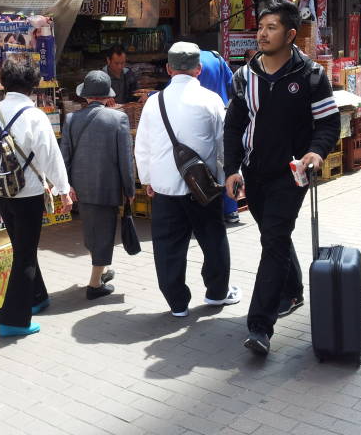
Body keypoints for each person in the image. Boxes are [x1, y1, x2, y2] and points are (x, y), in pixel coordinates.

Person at [224, 0, 340, 356]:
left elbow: (328, 122)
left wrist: (316, 151)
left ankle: (260, 326)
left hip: (292, 175)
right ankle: (293, 290)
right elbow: (234, 125)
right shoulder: (244, 77)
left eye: (271, 28)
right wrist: (231, 168)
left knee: (273, 241)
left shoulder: (311, 76)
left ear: (290, 35)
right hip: (254, 173)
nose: (262, 33)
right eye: (260, 27)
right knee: (274, 234)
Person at [135, 42, 241, 318]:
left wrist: (147, 178)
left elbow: (142, 146)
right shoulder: (211, 100)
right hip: (203, 189)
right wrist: (226, 175)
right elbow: (224, 144)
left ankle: (177, 303)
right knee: (213, 239)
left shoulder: (153, 102)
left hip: (164, 189)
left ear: (168, 69)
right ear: (199, 68)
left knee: (168, 247)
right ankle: (217, 293)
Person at [0, 60, 72, 338]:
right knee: (26, 254)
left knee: (21, 246)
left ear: (3, 83)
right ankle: (14, 320)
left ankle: (37, 296)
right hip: (27, 191)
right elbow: (50, 156)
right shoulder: (35, 116)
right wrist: (63, 189)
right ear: (32, 86)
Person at [60, 70, 135, 300]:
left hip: (82, 188)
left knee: (95, 231)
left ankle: (100, 272)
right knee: (102, 233)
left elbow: (65, 157)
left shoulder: (72, 119)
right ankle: (94, 285)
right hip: (107, 186)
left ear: (86, 96)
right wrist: (130, 189)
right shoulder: (118, 118)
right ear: (107, 96)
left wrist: (67, 187)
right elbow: (126, 160)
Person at [198, 49, 240, 225]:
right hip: (222, 115)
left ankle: (210, 208)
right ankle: (231, 210)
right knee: (225, 162)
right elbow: (232, 84)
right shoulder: (217, 57)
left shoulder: (188, 61)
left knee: (204, 166)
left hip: (200, 118)